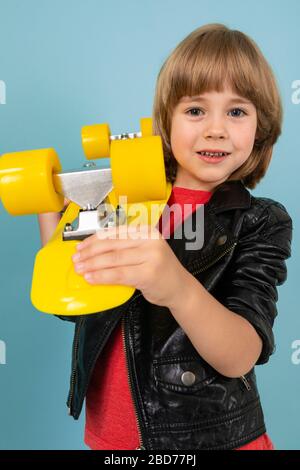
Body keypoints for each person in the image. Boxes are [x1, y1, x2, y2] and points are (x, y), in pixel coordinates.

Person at [38, 24, 293, 450]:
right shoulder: (117, 204)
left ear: (261, 128)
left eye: (236, 111)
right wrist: (51, 213)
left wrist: (176, 287)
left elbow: (240, 355)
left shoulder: (260, 222)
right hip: (111, 438)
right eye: (195, 111)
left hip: (212, 440)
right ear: (164, 123)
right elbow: (76, 305)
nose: (215, 129)